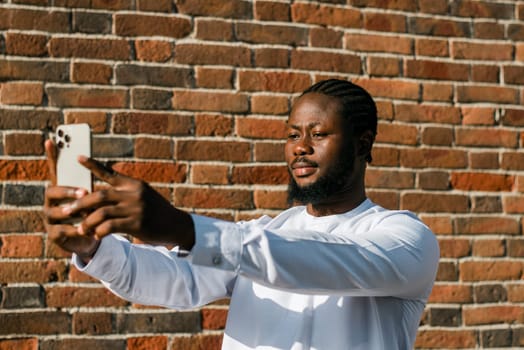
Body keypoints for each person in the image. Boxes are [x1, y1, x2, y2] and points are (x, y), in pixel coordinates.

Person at [44, 79, 440, 350]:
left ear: (362, 144)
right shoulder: (265, 234)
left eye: (317, 134)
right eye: (291, 135)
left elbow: (322, 261)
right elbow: (173, 280)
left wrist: (184, 228)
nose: (300, 147)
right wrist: (96, 248)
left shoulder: (405, 239)